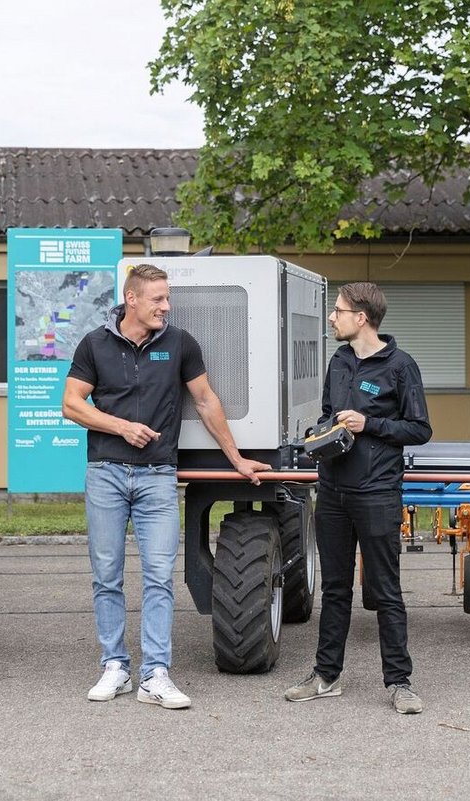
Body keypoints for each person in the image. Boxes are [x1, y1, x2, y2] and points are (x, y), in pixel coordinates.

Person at [62, 263, 269, 710]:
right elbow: (72, 404)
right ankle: (115, 666)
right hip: (106, 473)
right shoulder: (94, 344)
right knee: (107, 576)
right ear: (131, 298)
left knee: (159, 577)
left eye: (167, 297)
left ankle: (155, 673)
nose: (166, 306)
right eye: (157, 298)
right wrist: (121, 427)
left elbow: (206, 400)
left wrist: (236, 459)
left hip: (158, 476)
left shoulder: (179, 343)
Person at [284, 282, 432, 714]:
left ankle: (400, 682)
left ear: (361, 318)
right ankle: (326, 675)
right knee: (333, 588)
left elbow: (419, 429)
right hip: (332, 492)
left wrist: (370, 424)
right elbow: (329, 412)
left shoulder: (401, 366)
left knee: (385, 589)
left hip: (378, 493)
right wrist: (323, 431)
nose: (332, 317)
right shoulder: (339, 361)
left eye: (338, 311)